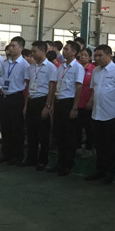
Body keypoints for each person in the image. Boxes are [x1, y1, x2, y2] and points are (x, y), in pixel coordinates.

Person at [86, 45, 115, 184]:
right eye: (96, 55)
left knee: (111, 145)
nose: (97, 58)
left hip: (111, 114)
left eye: (100, 55)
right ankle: (100, 170)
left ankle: (111, 171)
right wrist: (91, 102)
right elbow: (94, 89)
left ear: (109, 56)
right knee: (99, 144)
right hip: (97, 113)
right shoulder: (96, 71)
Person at [46, 41, 84, 176]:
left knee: (69, 135)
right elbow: (56, 85)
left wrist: (75, 107)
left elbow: (79, 87)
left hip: (69, 102)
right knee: (59, 134)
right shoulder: (61, 66)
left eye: (67, 49)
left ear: (74, 52)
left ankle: (68, 164)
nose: (64, 51)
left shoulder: (78, 68)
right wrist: (51, 104)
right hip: (59, 101)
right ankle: (60, 162)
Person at [0, 36, 29, 165]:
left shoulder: (25, 65)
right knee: (5, 127)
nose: (10, 48)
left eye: (14, 46)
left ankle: (17, 155)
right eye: (10, 45)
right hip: (4, 96)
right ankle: (6, 153)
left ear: (21, 48)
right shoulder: (5, 63)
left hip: (16, 97)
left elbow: (27, 83)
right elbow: (1, 77)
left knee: (16, 128)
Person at [26, 41, 57, 171]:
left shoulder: (51, 67)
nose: (32, 54)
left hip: (42, 100)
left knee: (43, 133)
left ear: (43, 52)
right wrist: (26, 105)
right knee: (31, 131)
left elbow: (52, 88)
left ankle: (42, 160)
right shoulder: (31, 67)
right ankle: (31, 158)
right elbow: (28, 86)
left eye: (34, 51)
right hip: (32, 99)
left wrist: (48, 105)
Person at [76, 48, 95, 157]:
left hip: (87, 102)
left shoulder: (93, 69)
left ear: (89, 57)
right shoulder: (76, 67)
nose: (83, 57)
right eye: (81, 55)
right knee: (77, 126)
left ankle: (88, 148)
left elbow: (95, 87)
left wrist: (91, 100)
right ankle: (78, 146)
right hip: (76, 102)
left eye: (85, 55)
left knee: (88, 127)